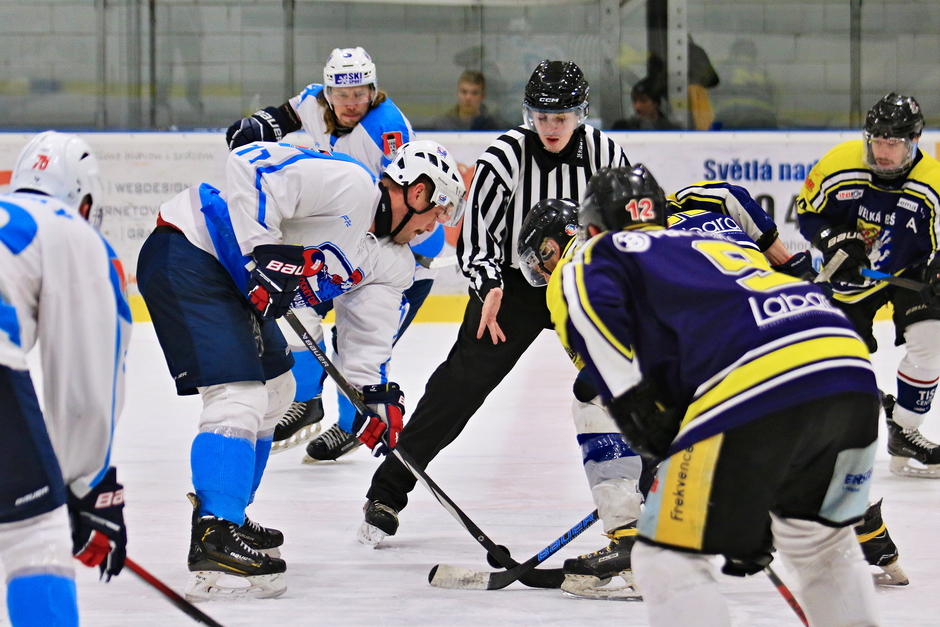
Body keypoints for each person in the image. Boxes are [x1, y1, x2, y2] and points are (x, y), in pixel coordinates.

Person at [518, 180, 907, 598]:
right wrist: (789, 261)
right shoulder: (685, 209)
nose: (543, 274)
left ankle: (628, 536)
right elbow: (729, 195)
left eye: (540, 262)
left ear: (552, 246)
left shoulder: (573, 268)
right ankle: (865, 527)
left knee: (593, 400)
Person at [135, 138, 465, 600]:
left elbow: (366, 339)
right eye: (438, 212)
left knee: (277, 391)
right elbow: (249, 165)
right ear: (418, 192)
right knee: (238, 395)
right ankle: (214, 531)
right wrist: (260, 253)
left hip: (232, 287)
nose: (435, 227)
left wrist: (372, 398)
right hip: (192, 250)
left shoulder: (391, 261)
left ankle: (231, 515)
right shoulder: (350, 184)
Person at [357, 59, 630, 546]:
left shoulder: (606, 155)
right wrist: (489, 286)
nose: (550, 127)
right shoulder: (503, 157)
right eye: (542, 117)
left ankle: (651, 488)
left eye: (561, 117)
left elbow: (626, 232)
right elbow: (478, 241)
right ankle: (387, 493)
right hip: (512, 290)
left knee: (626, 380)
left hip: (581, 286)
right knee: (457, 388)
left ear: (580, 114)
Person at [225, 47, 441, 460]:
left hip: (401, 253)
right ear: (327, 93)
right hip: (347, 242)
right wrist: (259, 124)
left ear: (373, 90)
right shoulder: (315, 102)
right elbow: (286, 115)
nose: (351, 103)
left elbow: (402, 202)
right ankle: (307, 400)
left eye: (360, 93)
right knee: (297, 309)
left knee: (356, 337)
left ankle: (351, 422)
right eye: (341, 95)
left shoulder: (386, 129)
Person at [0, 131, 131, 626]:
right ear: (86, 200)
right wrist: (84, 485)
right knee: (35, 532)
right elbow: (85, 385)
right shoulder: (72, 232)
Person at [797, 92, 940, 479]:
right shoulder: (840, 163)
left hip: (909, 272)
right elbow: (807, 212)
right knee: (834, 359)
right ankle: (848, 418)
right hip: (851, 273)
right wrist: (833, 239)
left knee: (932, 339)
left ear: (914, 141)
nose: (883, 151)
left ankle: (905, 429)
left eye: (893, 142)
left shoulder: (933, 182)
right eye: (877, 140)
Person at [711, 38, 778, 130]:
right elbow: (776, 98)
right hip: (764, 119)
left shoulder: (722, 69)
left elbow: (710, 92)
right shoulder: (764, 73)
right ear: (754, 54)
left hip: (729, 116)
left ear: (732, 53)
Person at [429, 70, 507, 131]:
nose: (468, 98)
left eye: (474, 93)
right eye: (464, 92)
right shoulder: (439, 124)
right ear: (457, 94)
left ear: (482, 97)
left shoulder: (494, 126)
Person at [610, 78, 678, 131]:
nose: (637, 106)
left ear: (656, 103)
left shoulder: (671, 130)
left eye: (643, 100)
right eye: (634, 100)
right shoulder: (622, 127)